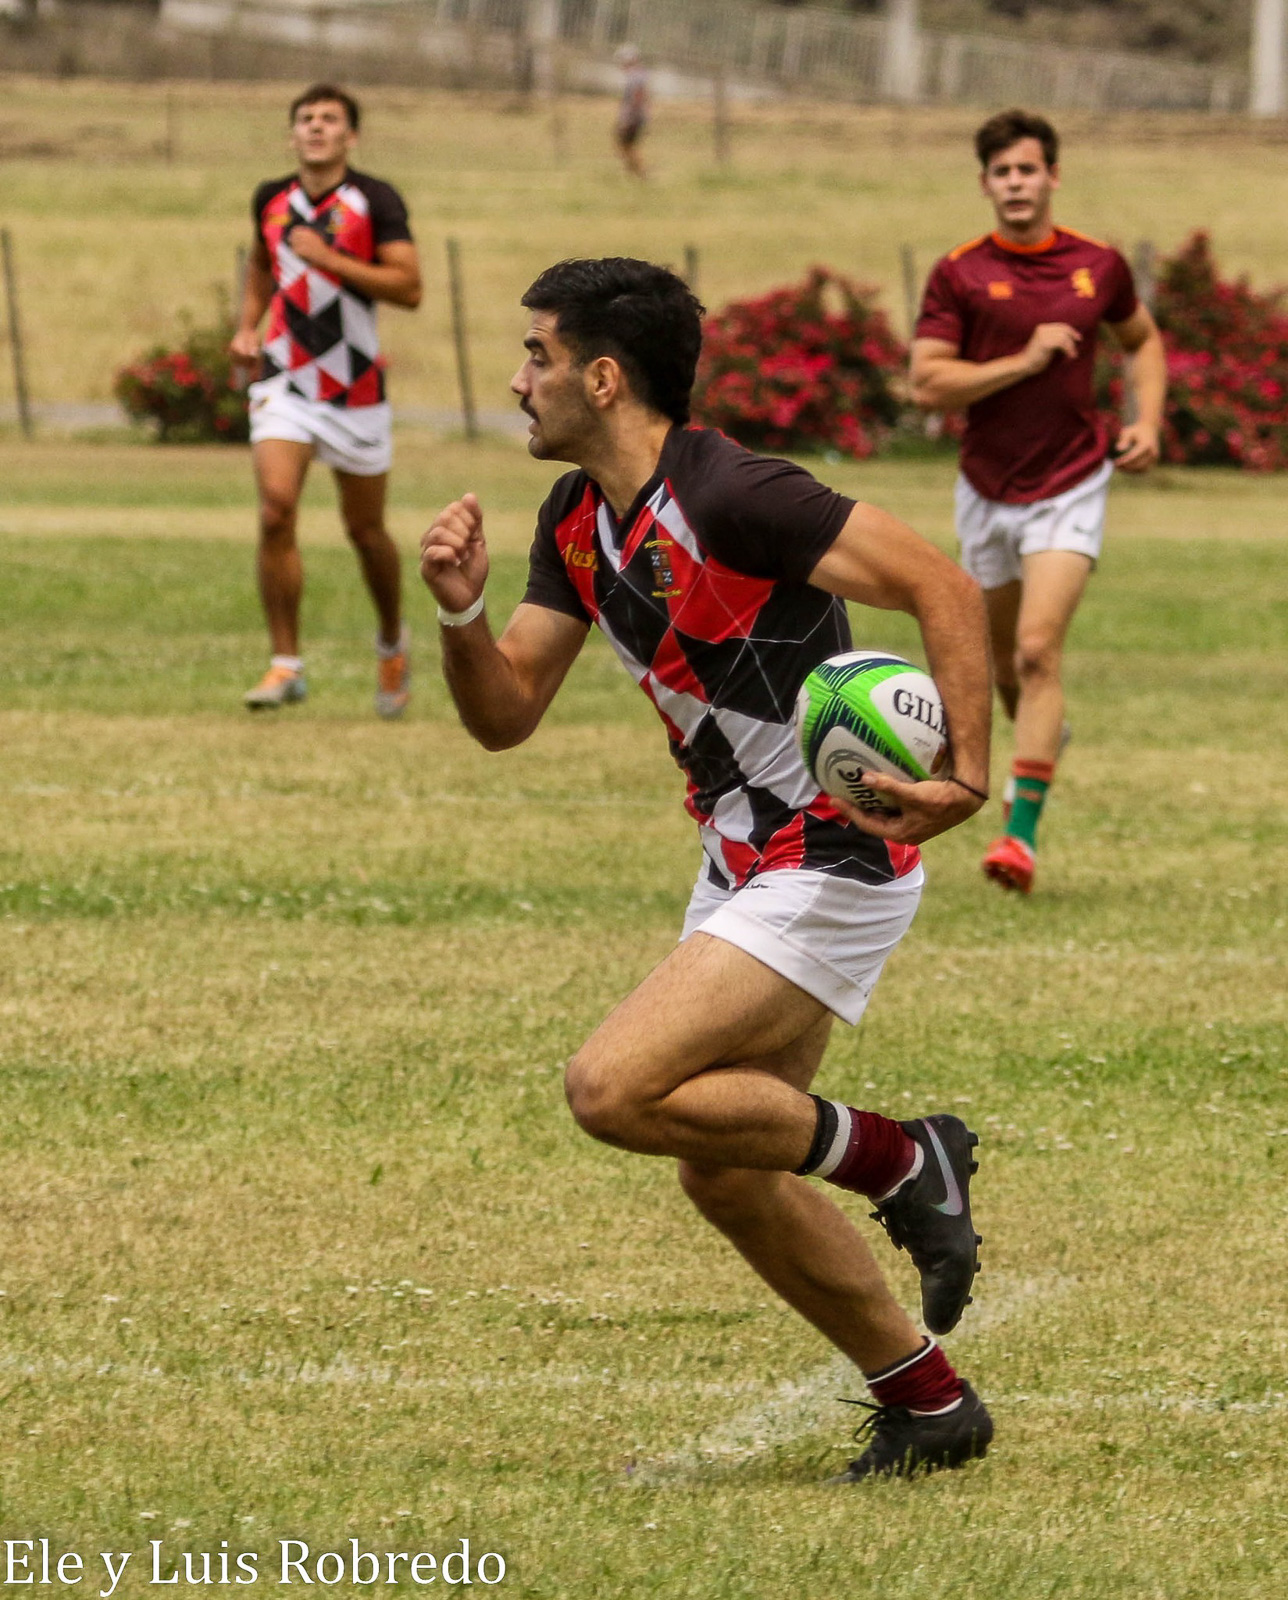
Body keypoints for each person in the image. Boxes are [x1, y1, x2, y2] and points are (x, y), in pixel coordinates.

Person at [419, 257, 996, 1481]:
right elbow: (506, 710)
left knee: (609, 1088)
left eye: (537, 356)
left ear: (604, 374)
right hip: (737, 854)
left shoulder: (733, 492)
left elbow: (939, 584)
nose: (521, 380)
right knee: (724, 1173)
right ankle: (930, 1403)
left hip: (834, 846)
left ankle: (906, 1159)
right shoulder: (575, 521)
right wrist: (462, 617)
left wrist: (965, 778)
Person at [911, 107, 1166, 894]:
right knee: (1004, 670)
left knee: (1036, 650)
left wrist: (1147, 422)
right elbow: (928, 380)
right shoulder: (959, 272)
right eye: (1001, 172)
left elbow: (1145, 341)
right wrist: (1023, 361)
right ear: (985, 183)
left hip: (1073, 477)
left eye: (1028, 169)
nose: (1015, 184)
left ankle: (1018, 838)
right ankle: (1043, 736)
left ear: (1053, 176)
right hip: (987, 486)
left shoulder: (1098, 265)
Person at [230, 84, 423, 717]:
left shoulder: (376, 199)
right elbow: (262, 265)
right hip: (284, 379)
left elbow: (409, 288)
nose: (316, 127)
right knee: (275, 512)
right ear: (292, 135)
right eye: (306, 119)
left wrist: (331, 259)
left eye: (329, 119)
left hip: (355, 389)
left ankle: (392, 641)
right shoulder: (272, 198)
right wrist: (247, 324)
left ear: (351, 136)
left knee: (365, 531)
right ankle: (285, 664)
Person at [614, 47, 649, 179]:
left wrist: (629, 118)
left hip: (633, 117)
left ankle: (641, 174)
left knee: (627, 145)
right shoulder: (638, 74)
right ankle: (633, 173)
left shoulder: (636, 76)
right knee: (625, 145)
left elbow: (637, 97)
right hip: (634, 116)